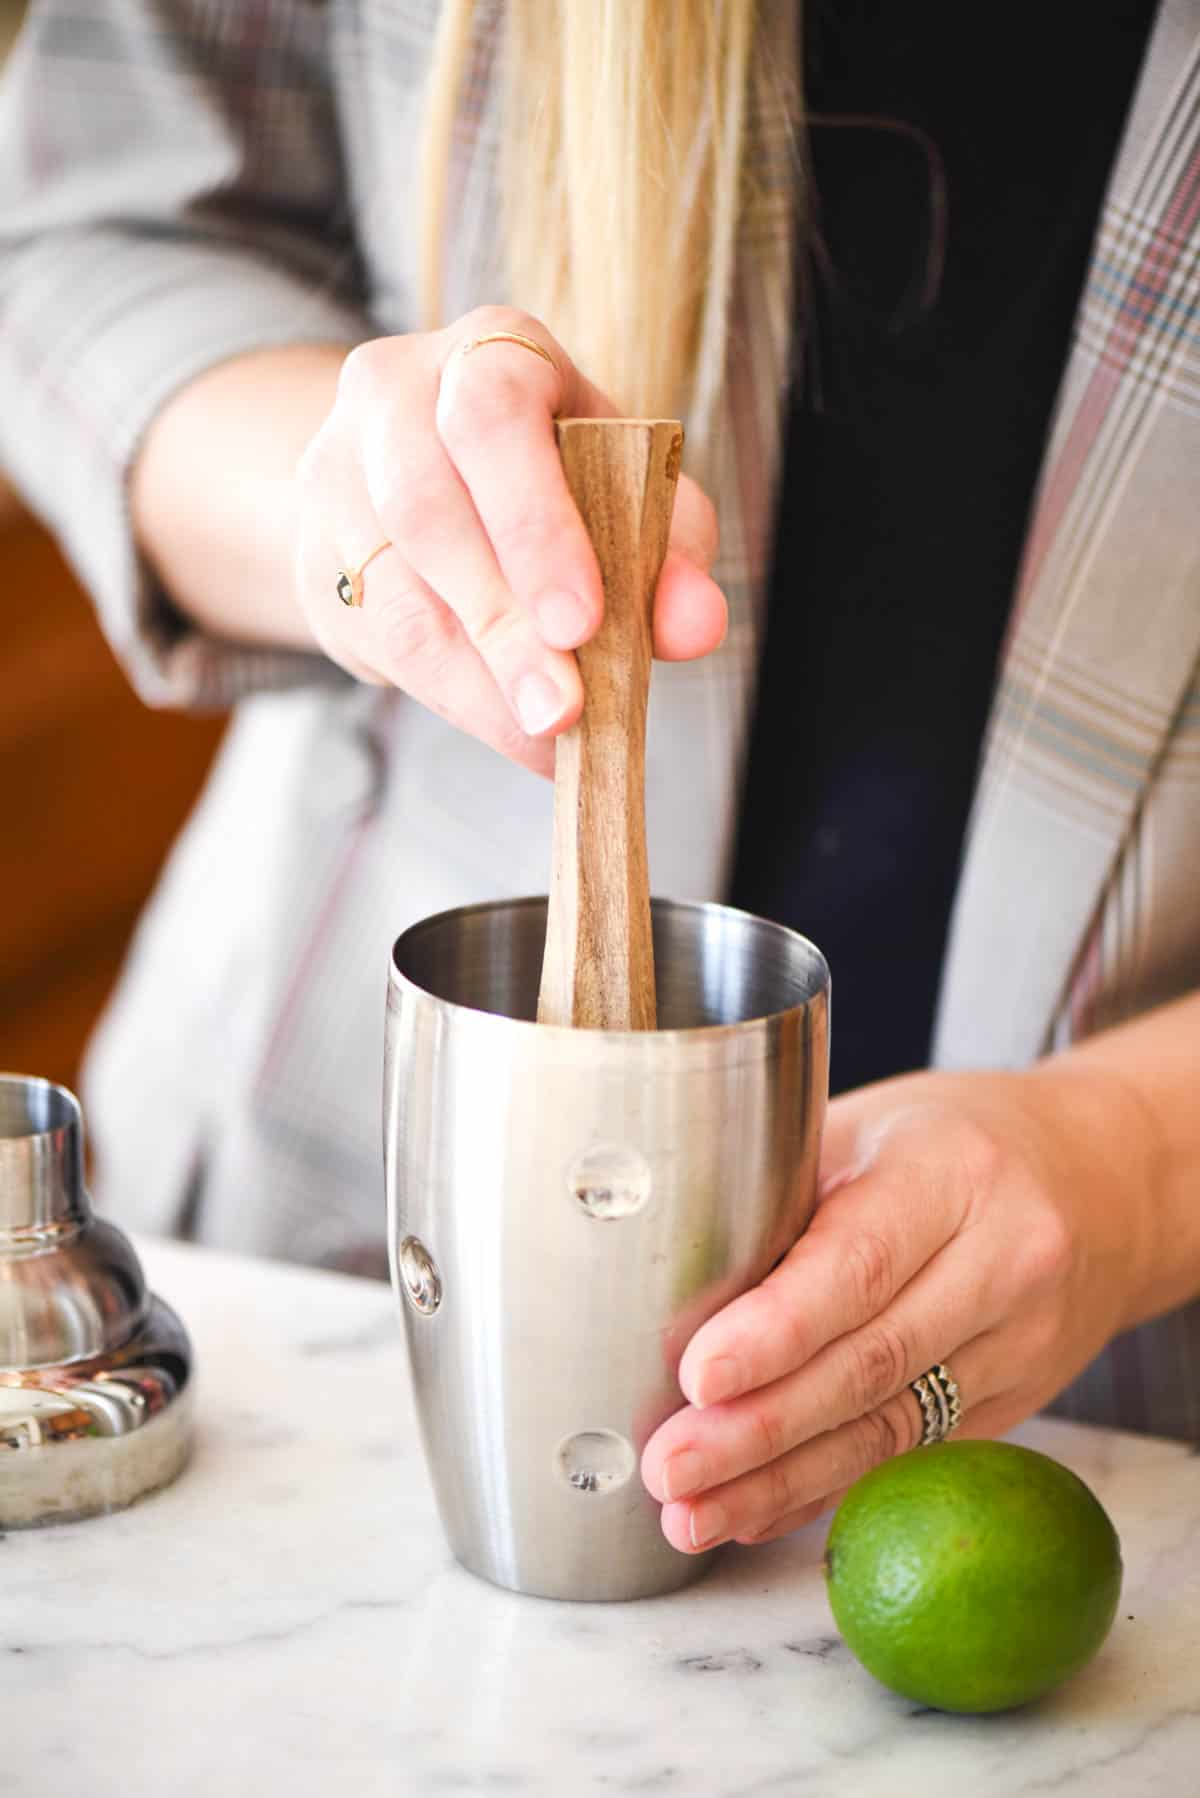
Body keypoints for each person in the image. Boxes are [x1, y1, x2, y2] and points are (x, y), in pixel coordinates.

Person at [1, 0, 1197, 1558]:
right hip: (321, 1269)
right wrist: (355, 506)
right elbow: (79, 237)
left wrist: (1132, 1161)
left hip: (1104, 1441)